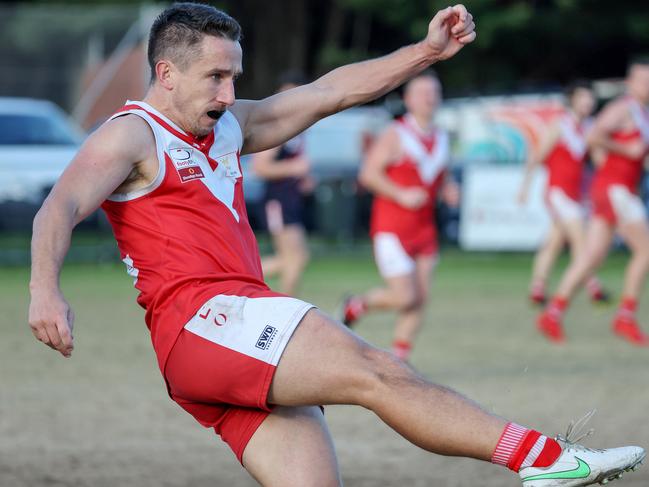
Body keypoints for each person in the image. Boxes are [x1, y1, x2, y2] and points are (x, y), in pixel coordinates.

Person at [28, 3, 644, 486]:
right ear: (165, 73)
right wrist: (44, 290)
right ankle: (544, 458)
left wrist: (426, 53)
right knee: (377, 371)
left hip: (221, 343)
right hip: (206, 321)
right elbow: (60, 206)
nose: (227, 93)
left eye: (234, 78)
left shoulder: (226, 128)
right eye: (215, 77)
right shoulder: (133, 134)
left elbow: (331, 92)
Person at [340, 71, 458, 362]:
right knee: (405, 296)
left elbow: (441, 175)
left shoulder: (442, 137)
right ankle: (356, 305)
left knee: (420, 298)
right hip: (392, 228)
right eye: (423, 93)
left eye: (435, 92)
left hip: (424, 229)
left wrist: (450, 188)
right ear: (408, 99)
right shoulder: (396, 134)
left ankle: (399, 360)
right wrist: (401, 194)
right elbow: (368, 174)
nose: (430, 98)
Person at [537, 59, 649, 346]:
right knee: (645, 250)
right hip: (614, 189)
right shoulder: (622, 108)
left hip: (616, 189)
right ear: (630, 82)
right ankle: (625, 315)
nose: (646, 85)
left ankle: (553, 313)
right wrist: (626, 149)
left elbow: (637, 154)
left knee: (591, 257)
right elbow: (596, 134)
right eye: (641, 79)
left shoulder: (642, 114)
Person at [518, 82, 609, 307]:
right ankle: (593, 287)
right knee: (580, 236)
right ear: (573, 100)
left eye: (590, 98)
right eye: (583, 98)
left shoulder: (590, 127)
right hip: (557, 191)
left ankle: (537, 289)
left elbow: (600, 160)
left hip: (576, 193)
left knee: (554, 242)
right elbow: (537, 156)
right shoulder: (560, 124)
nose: (588, 102)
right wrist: (525, 188)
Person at [252, 72, 312, 296]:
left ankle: (244, 275)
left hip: (290, 200)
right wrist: (294, 169)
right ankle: (286, 304)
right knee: (294, 258)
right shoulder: (277, 129)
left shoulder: (297, 127)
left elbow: (292, 163)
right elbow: (260, 167)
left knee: (297, 258)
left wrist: (302, 177)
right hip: (277, 201)